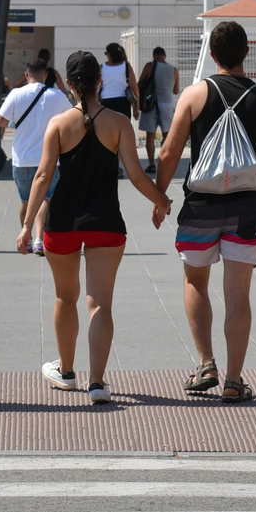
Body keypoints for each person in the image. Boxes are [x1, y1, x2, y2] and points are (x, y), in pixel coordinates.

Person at [20, 50, 171, 404]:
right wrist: (162, 201)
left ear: (71, 85)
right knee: (100, 304)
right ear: (99, 81)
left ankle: (66, 372)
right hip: (106, 223)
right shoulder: (119, 123)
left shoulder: (59, 125)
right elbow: (136, 175)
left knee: (65, 297)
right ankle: (98, 383)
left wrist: (27, 226)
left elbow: (42, 177)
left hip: (63, 223)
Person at [155, 20, 256, 404]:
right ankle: (234, 380)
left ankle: (205, 364)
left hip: (200, 207)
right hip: (247, 209)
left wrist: (160, 198)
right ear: (247, 52)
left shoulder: (195, 95)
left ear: (212, 55)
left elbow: (169, 152)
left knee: (196, 282)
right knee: (238, 296)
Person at [0, 57, 71, 255]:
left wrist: (14, 122)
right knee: (45, 199)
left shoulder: (16, 94)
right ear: (46, 75)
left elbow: (0, 121)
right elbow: (72, 118)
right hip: (49, 159)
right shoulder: (57, 96)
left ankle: (26, 239)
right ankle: (39, 239)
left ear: (27, 75)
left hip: (22, 159)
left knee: (26, 201)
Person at [137, 46, 181, 175]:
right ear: (165, 56)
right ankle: (163, 160)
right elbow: (176, 91)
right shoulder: (174, 70)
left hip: (151, 105)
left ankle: (151, 164)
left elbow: (140, 84)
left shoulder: (150, 66)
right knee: (167, 135)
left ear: (154, 55)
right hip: (167, 106)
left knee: (150, 135)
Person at [100, 43, 138, 119]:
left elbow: (98, 85)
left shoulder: (102, 67)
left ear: (109, 54)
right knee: (123, 124)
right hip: (123, 101)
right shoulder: (126, 66)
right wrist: (136, 107)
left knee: (107, 125)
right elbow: (134, 88)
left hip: (105, 101)